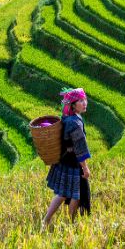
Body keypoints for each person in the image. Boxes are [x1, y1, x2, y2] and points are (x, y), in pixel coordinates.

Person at [42, 88, 91, 229]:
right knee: (69, 194)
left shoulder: (70, 118)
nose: (84, 103)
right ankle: (58, 221)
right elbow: (80, 147)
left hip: (65, 161)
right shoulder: (75, 123)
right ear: (74, 105)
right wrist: (85, 167)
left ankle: (62, 221)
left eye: (85, 100)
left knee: (69, 194)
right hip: (72, 163)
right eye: (81, 101)